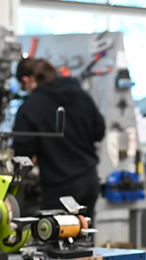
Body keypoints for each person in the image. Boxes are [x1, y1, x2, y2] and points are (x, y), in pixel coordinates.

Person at [13, 57, 106, 217]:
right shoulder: (81, 95)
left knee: (55, 237)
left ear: (27, 80)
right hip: (88, 180)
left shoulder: (30, 107)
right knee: (83, 234)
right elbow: (99, 132)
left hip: (60, 186)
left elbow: (23, 153)